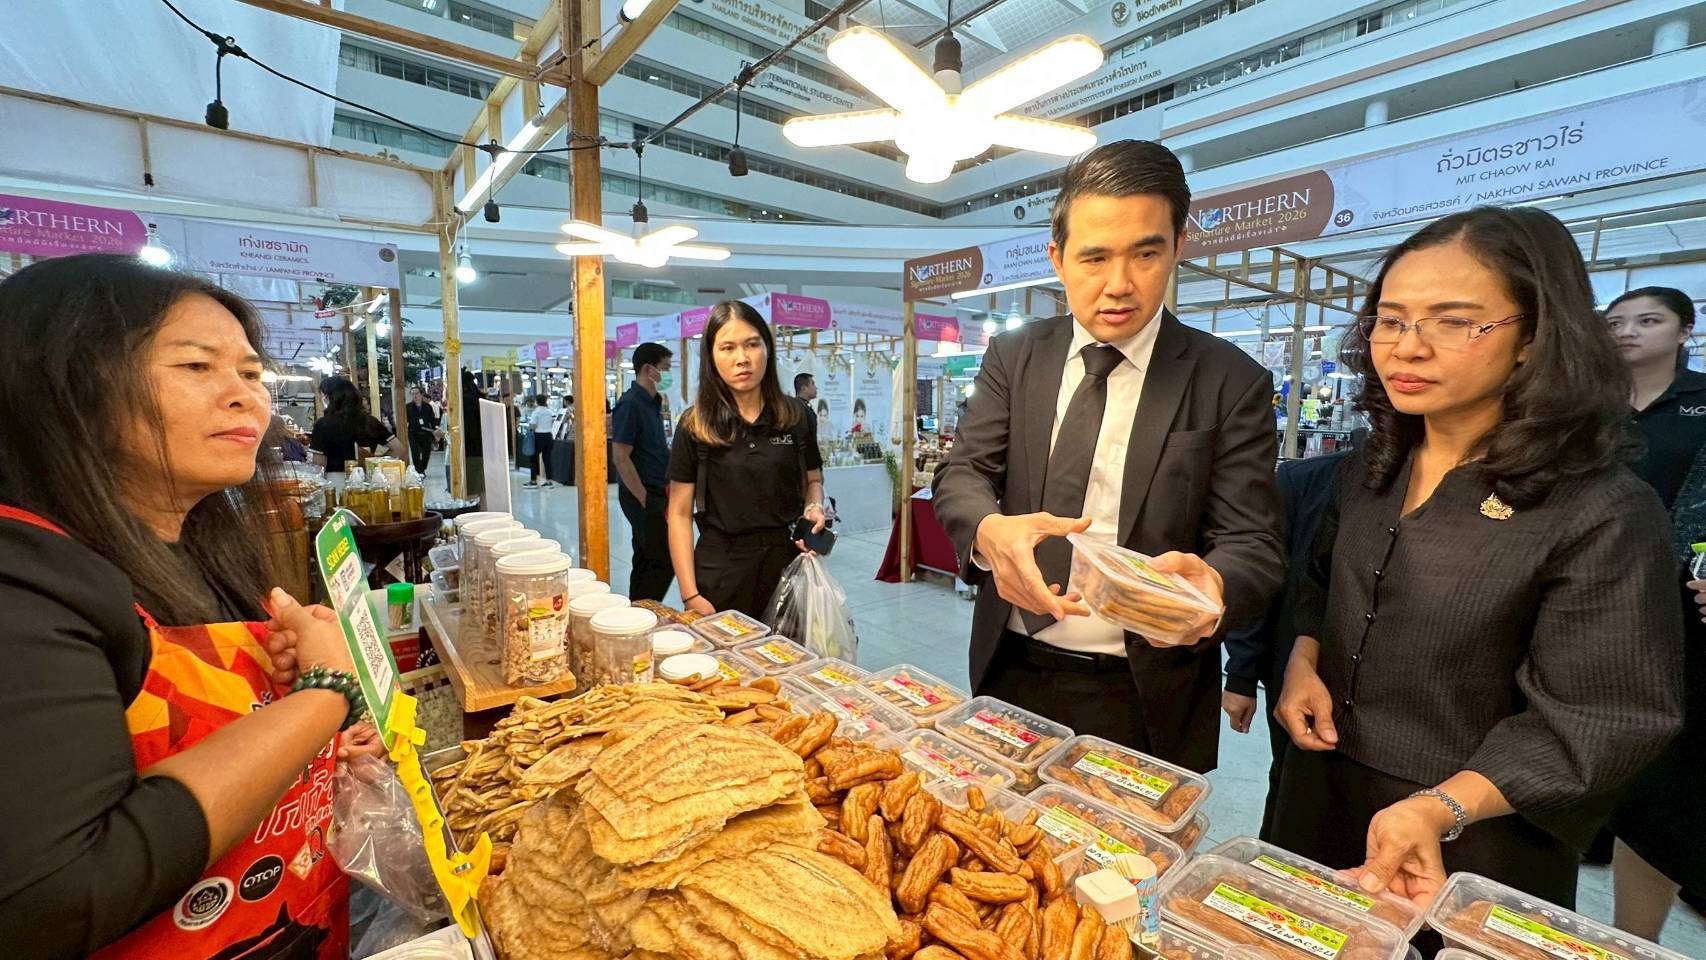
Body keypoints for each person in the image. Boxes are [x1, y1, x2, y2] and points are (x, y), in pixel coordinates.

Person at [1269, 207, 1684, 917]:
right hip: (1318, 788)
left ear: (1533, 336)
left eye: (1454, 322)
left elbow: (1606, 714)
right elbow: (1322, 580)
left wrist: (1440, 807)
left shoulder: (1599, 508)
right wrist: (1303, 661)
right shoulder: (1375, 465)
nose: (1408, 348)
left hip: (1472, 834)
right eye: (1390, 320)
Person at [0, 254, 378, 958]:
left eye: (251, 374)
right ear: (63, 385)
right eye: (197, 366)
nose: (245, 399)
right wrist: (328, 694)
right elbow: (55, 897)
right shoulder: (21, 581)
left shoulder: (203, 552)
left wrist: (319, 742)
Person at [931, 139, 1285, 774]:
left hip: (1145, 686)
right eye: (1094, 257)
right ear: (1058, 259)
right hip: (1010, 664)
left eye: (1145, 254)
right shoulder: (1015, 357)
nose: (1119, 285)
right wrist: (987, 530)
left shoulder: (1229, 381)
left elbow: (1252, 541)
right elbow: (964, 471)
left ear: (1178, 246)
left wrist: (1216, 583)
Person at [1604, 285, 1706, 940]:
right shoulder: (1588, 407)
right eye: (1616, 322)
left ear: (1685, 330)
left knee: (1666, 782)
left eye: (1648, 320)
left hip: (1680, 607)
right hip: (1594, 595)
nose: (1628, 331)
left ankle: (1636, 936)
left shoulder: (1701, 403)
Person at [1220, 449, 1351, 838]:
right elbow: (1262, 584)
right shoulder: (1306, 481)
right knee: (1291, 789)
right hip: (1295, 677)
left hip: (1383, 703)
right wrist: (1241, 676)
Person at [667, 302, 826, 618]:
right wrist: (690, 594)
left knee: (787, 649)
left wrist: (814, 507)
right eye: (727, 348)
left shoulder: (796, 416)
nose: (742, 358)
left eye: (752, 344)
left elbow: (813, 479)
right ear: (711, 356)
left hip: (787, 565)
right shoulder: (695, 425)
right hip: (721, 569)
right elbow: (680, 513)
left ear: (767, 348)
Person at [612, 343, 676, 600]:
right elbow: (621, 456)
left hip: (657, 489)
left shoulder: (653, 402)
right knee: (664, 559)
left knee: (645, 556)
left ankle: (637, 608)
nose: (668, 374)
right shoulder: (630, 404)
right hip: (642, 493)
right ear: (649, 369)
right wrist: (643, 498)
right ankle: (649, 609)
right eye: (666, 368)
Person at [308, 375, 402, 488]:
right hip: (367, 482)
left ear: (328, 397)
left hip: (335, 483)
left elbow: (319, 464)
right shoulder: (369, 421)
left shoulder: (322, 424)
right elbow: (399, 450)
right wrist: (375, 464)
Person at [461, 368, 486, 500]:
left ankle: (471, 512)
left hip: (470, 450)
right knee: (482, 488)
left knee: (471, 488)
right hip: (483, 448)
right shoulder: (480, 398)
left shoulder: (465, 401)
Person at [404, 384, 440, 474]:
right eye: (412, 394)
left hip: (426, 433)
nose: (414, 396)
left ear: (421, 394)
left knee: (426, 453)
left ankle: (422, 468)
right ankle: (419, 471)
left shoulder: (427, 406)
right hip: (413, 433)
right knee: (415, 453)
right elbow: (404, 420)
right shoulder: (408, 407)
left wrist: (436, 430)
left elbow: (432, 420)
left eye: (416, 393)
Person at [524, 394, 556, 488]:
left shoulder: (536, 412)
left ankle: (533, 481)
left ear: (536, 401)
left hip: (538, 436)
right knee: (547, 459)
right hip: (549, 436)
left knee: (533, 459)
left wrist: (530, 428)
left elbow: (533, 425)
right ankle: (549, 480)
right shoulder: (549, 412)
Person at [796, 372, 818, 437]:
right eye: (813, 384)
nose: (816, 387)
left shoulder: (805, 406)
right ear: (804, 389)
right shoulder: (798, 408)